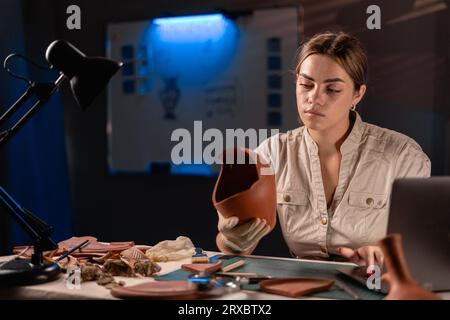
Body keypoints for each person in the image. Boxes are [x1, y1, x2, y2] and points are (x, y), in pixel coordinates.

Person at [215, 31, 431, 271]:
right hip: (300, 288)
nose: (313, 99)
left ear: (357, 94)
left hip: (374, 286)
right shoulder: (272, 152)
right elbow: (235, 249)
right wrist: (233, 240)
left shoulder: (403, 155)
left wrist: (383, 254)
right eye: (306, 85)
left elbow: (421, 250)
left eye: (332, 90)